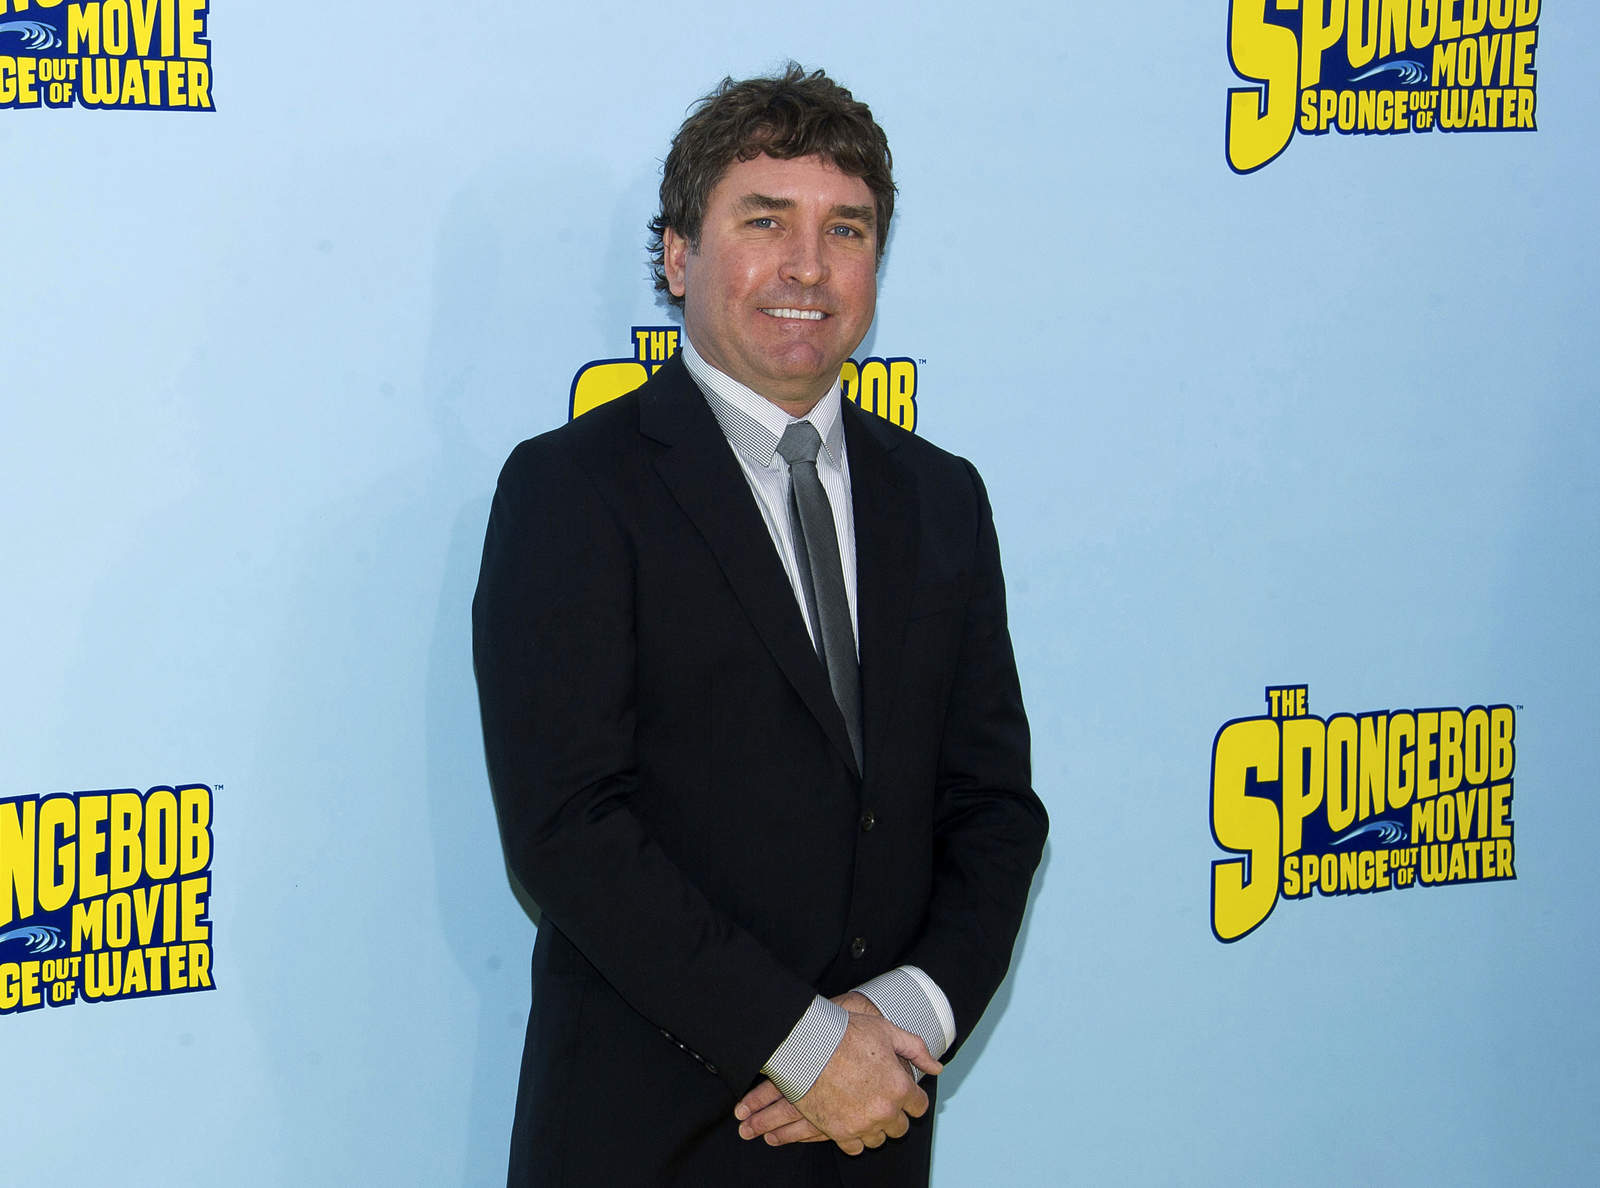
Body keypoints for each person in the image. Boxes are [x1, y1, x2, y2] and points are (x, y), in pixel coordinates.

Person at [473, 63, 1048, 1187]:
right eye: (765, 221)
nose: (807, 266)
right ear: (678, 255)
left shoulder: (941, 496)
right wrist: (804, 1045)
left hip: (874, 1127)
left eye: (846, 229)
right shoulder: (573, 489)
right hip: (653, 1142)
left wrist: (900, 1021)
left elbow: (993, 806)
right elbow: (570, 830)